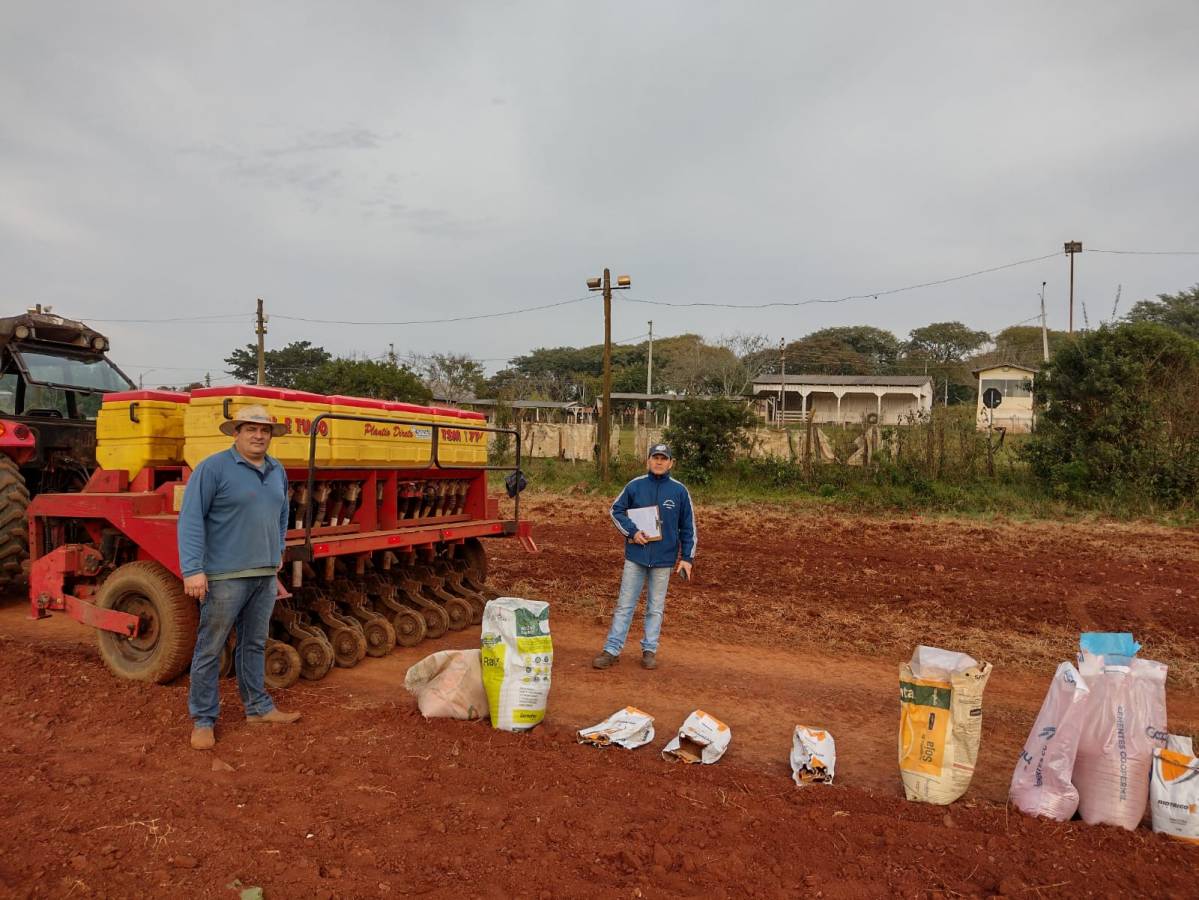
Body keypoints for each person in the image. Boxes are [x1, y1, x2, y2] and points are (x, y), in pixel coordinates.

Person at [178, 404, 301, 750]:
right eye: (250, 429)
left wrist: (278, 549)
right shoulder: (213, 469)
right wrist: (193, 569)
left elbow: (282, 512)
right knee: (210, 648)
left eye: (264, 431)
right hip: (224, 575)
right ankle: (203, 719)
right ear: (236, 433)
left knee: (254, 643)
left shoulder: (277, 470)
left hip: (263, 574)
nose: (258, 436)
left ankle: (258, 708)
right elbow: (190, 519)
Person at [594, 443, 696, 670]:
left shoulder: (679, 491)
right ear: (647, 460)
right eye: (655, 457)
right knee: (624, 605)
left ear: (671, 463)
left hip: (664, 560)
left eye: (663, 458)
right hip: (636, 556)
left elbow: (688, 527)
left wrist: (687, 558)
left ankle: (649, 650)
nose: (659, 462)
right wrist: (633, 531)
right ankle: (612, 649)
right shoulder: (635, 486)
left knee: (655, 607)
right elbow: (615, 510)